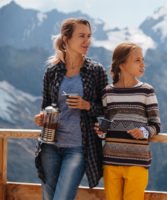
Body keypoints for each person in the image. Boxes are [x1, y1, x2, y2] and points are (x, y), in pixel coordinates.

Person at [34, 18, 108, 200]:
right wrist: (42, 117)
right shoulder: (52, 71)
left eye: (89, 36)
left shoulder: (96, 71)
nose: (87, 41)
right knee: (48, 197)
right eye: (81, 36)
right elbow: (46, 105)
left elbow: (108, 109)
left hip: (78, 147)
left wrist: (87, 105)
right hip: (50, 145)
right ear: (66, 39)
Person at [94, 42, 161, 200]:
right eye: (137, 60)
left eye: (143, 59)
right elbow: (107, 124)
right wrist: (101, 132)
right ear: (122, 64)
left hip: (137, 162)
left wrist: (144, 132)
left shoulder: (147, 91)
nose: (143, 64)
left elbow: (156, 124)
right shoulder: (107, 93)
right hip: (111, 161)